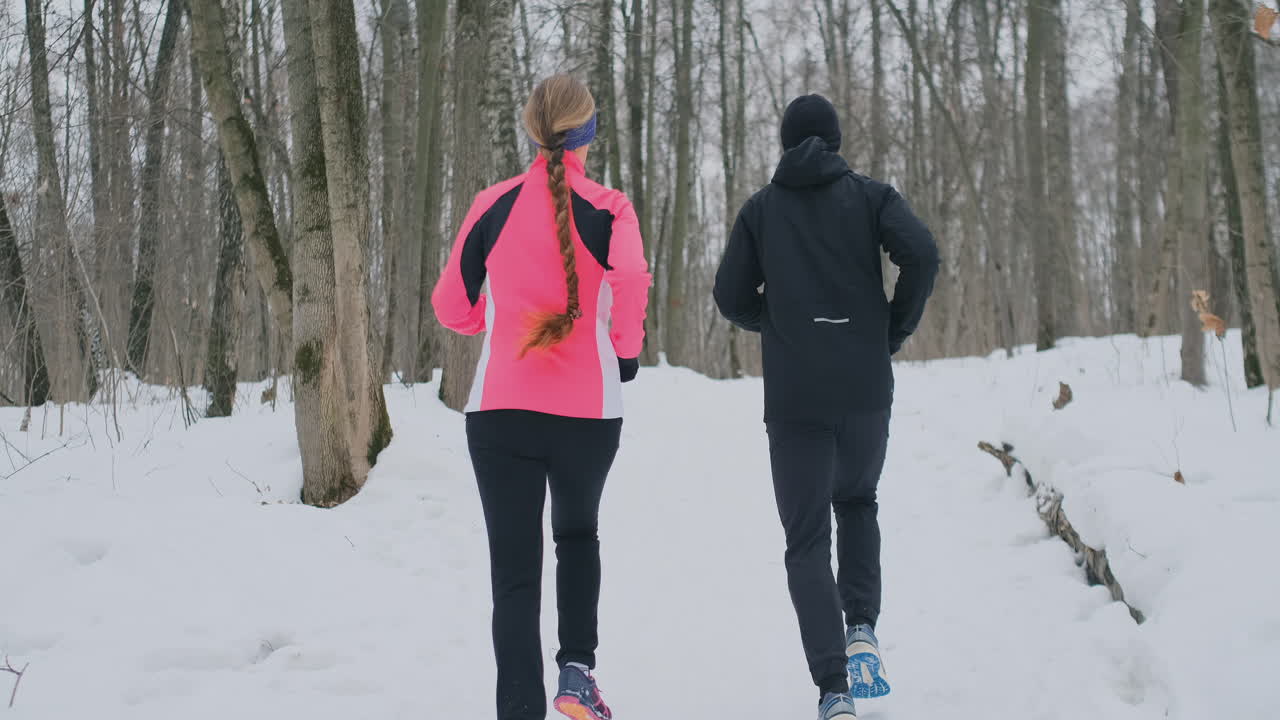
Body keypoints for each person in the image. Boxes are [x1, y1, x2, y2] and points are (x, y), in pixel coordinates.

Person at [713, 94, 939, 720]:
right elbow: (922, 254)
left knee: (807, 540)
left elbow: (730, 296)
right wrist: (888, 331)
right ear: (835, 140)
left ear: (784, 143)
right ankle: (861, 628)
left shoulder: (761, 210)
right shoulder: (872, 198)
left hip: (796, 399)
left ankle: (833, 690)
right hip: (866, 389)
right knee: (858, 502)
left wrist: (781, 322)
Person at [432, 74, 651, 720]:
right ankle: (576, 674)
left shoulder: (490, 205)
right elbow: (633, 277)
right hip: (587, 411)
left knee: (514, 575)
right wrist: (625, 347)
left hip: (499, 413)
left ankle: (519, 710)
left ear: (532, 130)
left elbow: (451, 304)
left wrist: (490, 328)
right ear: (589, 132)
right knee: (577, 535)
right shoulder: (611, 209)